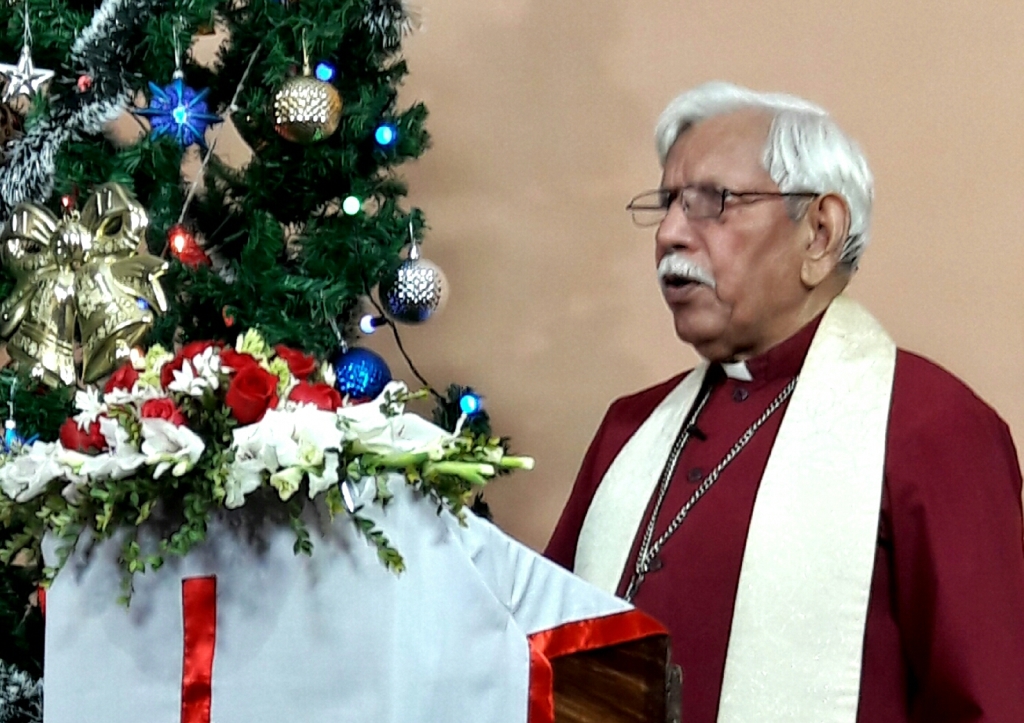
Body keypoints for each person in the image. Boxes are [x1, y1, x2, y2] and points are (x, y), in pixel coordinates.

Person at [545, 81, 1024, 723]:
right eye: (666, 204)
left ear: (820, 232)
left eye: (711, 202)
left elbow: (990, 700)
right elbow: (542, 656)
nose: (668, 235)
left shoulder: (931, 427)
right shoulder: (629, 429)